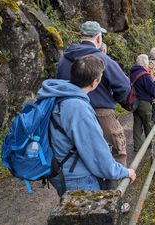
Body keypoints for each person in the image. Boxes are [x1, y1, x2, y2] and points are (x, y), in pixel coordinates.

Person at [39, 55, 136, 197]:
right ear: (95, 82)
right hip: (78, 178)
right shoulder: (77, 108)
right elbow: (97, 154)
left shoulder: (59, 94)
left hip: (62, 170)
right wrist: (124, 172)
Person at [56, 21, 130, 190]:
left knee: (78, 155)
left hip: (68, 113)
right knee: (117, 152)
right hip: (101, 113)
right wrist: (116, 98)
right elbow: (124, 86)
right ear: (98, 38)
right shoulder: (102, 59)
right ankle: (113, 198)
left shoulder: (64, 59)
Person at [129, 54, 155, 152]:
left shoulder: (132, 73)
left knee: (137, 125)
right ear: (145, 63)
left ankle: (137, 147)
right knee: (148, 124)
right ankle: (150, 145)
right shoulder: (144, 75)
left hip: (134, 102)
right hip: (144, 103)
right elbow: (152, 89)